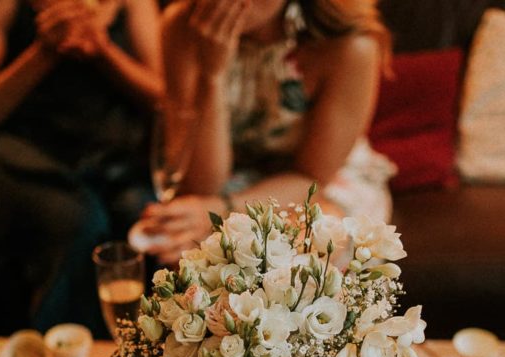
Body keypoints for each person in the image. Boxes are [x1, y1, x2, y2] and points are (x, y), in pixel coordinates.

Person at [0, 0, 163, 335]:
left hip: (113, 163)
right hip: (21, 158)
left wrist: (102, 49)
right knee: (79, 223)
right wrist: (45, 51)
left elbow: (164, 97)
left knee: (148, 219)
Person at [131, 0, 395, 264]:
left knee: (310, 245)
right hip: (233, 179)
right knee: (188, 253)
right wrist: (212, 76)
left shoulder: (350, 45)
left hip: (319, 182)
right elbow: (203, 184)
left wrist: (219, 210)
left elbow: (310, 179)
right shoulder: (183, 26)